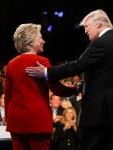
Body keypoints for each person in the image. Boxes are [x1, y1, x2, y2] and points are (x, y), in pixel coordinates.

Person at [25, 9, 113, 150]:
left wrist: (47, 72)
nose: (85, 31)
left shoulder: (102, 42)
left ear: (98, 24)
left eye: (86, 27)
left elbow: (78, 65)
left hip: (98, 114)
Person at [4, 23, 77, 150]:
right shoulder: (41, 62)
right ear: (31, 41)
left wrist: (9, 119)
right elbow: (56, 89)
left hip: (16, 121)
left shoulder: (11, 64)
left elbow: (7, 96)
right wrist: (75, 89)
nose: (43, 41)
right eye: (40, 37)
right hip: (38, 121)